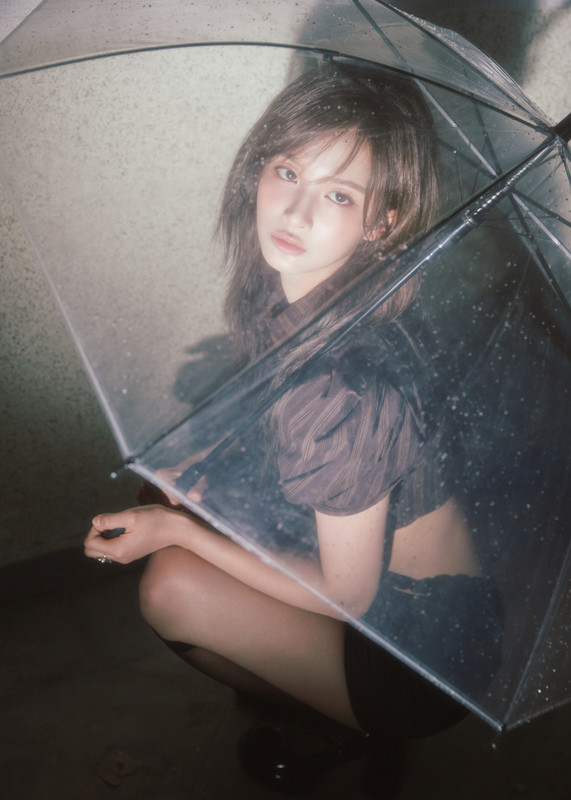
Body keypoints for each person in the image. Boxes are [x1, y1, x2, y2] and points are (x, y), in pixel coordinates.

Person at [84, 63, 503, 796]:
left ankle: (348, 724)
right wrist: (199, 468)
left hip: (421, 649)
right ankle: (316, 692)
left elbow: (349, 596)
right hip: (409, 582)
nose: (295, 213)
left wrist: (181, 532)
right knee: (181, 504)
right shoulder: (329, 295)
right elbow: (278, 416)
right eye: (287, 172)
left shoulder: (340, 387)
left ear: (382, 222)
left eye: (338, 194)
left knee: (169, 585)